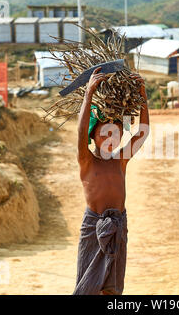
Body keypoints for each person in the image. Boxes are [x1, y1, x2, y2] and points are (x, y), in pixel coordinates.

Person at [73, 67, 150, 295]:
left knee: (113, 288)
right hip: (93, 226)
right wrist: (88, 95)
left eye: (115, 133)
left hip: (118, 224)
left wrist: (143, 94)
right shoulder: (86, 160)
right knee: (87, 287)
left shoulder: (121, 160)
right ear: (93, 135)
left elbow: (142, 132)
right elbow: (79, 134)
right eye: (104, 133)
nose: (110, 138)